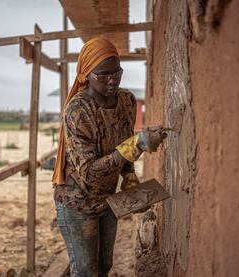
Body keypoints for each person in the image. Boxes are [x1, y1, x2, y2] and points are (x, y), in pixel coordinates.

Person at [52, 37, 167, 277]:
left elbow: (124, 143)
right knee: (85, 271)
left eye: (117, 72)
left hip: (107, 198)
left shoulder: (127, 101)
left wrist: (129, 176)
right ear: (86, 75)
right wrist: (134, 146)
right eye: (103, 76)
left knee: (104, 266)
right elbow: (88, 172)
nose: (112, 80)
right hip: (76, 202)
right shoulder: (78, 111)